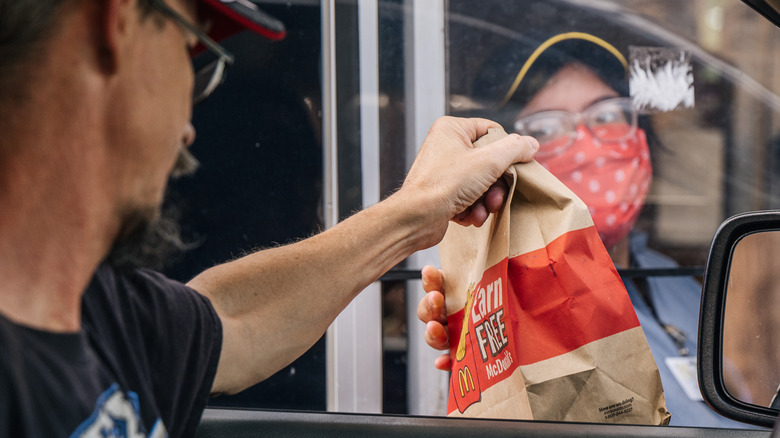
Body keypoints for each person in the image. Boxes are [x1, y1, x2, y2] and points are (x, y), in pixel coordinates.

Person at [0, 0, 540, 436]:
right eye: (194, 54)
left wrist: (414, 212)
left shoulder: (103, 313)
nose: (189, 128)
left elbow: (234, 320)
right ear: (117, 24)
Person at [417, 31, 755, 428]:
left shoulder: (678, 281)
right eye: (545, 128)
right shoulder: (522, 306)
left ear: (641, 132)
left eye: (608, 115)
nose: (588, 144)